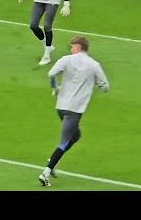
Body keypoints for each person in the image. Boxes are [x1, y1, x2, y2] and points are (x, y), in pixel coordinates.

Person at [38, 36, 109, 187]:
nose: (71, 49)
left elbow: (51, 74)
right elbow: (105, 86)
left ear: (78, 47)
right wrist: (99, 85)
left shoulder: (66, 59)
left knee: (75, 136)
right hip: (74, 110)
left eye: (72, 46)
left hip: (61, 107)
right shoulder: (94, 65)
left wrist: (55, 88)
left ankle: (52, 162)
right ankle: (46, 172)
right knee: (63, 142)